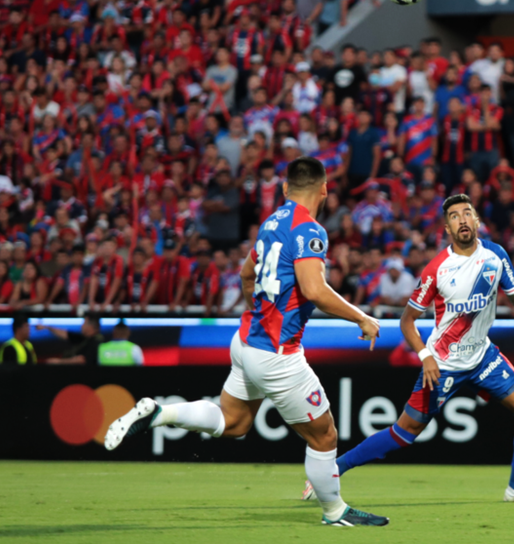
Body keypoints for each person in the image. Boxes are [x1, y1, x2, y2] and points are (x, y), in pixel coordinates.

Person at [104, 157, 387, 527]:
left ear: (285, 189)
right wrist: (361, 318)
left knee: (233, 422)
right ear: (324, 189)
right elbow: (315, 290)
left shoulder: (271, 223)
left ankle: (160, 413)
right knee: (324, 435)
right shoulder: (310, 230)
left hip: (246, 342)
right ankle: (334, 513)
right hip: (278, 354)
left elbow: (245, 273)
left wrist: (261, 308)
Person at [307, 193, 514, 504]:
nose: (462, 219)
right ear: (447, 229)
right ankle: (332, 470)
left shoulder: (496, 256)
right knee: (404, 433)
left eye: (467, 213)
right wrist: (425, 357)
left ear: (476, 221)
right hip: (444, 364)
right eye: (454, 216)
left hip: (483, 357)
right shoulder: (437, 269)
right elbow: (406, 321)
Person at [37, 312, 104, 365]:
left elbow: (82, 360)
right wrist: (47, 327)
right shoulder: (84, 338)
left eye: (84, 323)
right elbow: (65, 334)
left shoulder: (96, 342)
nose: (81, 326)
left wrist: (58, 362)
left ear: (91, 325)